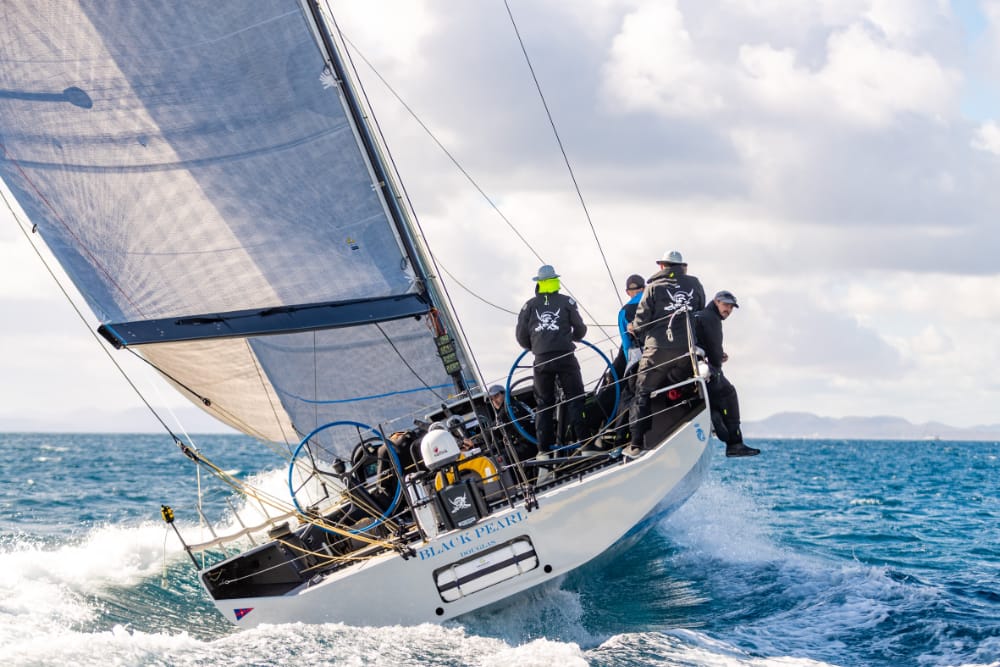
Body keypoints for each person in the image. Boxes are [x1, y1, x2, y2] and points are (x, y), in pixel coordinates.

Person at [626, 251, 706, 456]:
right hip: (686, 351)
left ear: (663, 266)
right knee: (678, 379)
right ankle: (677, 412)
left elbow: (641, 323)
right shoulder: (695, 284)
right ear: (681, 266)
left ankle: (636, 444)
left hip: (657, 351)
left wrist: (633, 327)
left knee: (641, 391)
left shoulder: (652, 287)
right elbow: (700, 309)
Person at [515, 264, 588, 453]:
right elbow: (580, 328)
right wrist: (573, 338)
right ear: (555, 281)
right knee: (575, 398)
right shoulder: (567, 302)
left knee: (544, 404)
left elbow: (521, 337)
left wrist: (537, 348)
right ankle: (585, 442)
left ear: (538, 284)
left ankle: (543, 451)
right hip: (565, 356)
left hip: (541, 360)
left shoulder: (529, 306)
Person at [693, 290, 760, 457]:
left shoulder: (697, 314)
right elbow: (714, 348)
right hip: (705, 369)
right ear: (716, 302)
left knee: (717, 395)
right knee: (729, 393)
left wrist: (716, 354)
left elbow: (703, 342)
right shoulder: (712, 318)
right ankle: (735, 443)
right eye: (725, 305)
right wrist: (718, 362)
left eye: (731, 307)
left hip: (692, 366)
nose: (728, 310)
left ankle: (715, 415)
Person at [486, 384, 535, 461]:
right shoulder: (517, 403)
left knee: (495, 458)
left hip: (528, 446)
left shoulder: (507, 410)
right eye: (491, 399)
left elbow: (492, 430)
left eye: (496, 396)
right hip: (534, 441)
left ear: (504, 394)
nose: (494, 401)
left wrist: (474, 442)